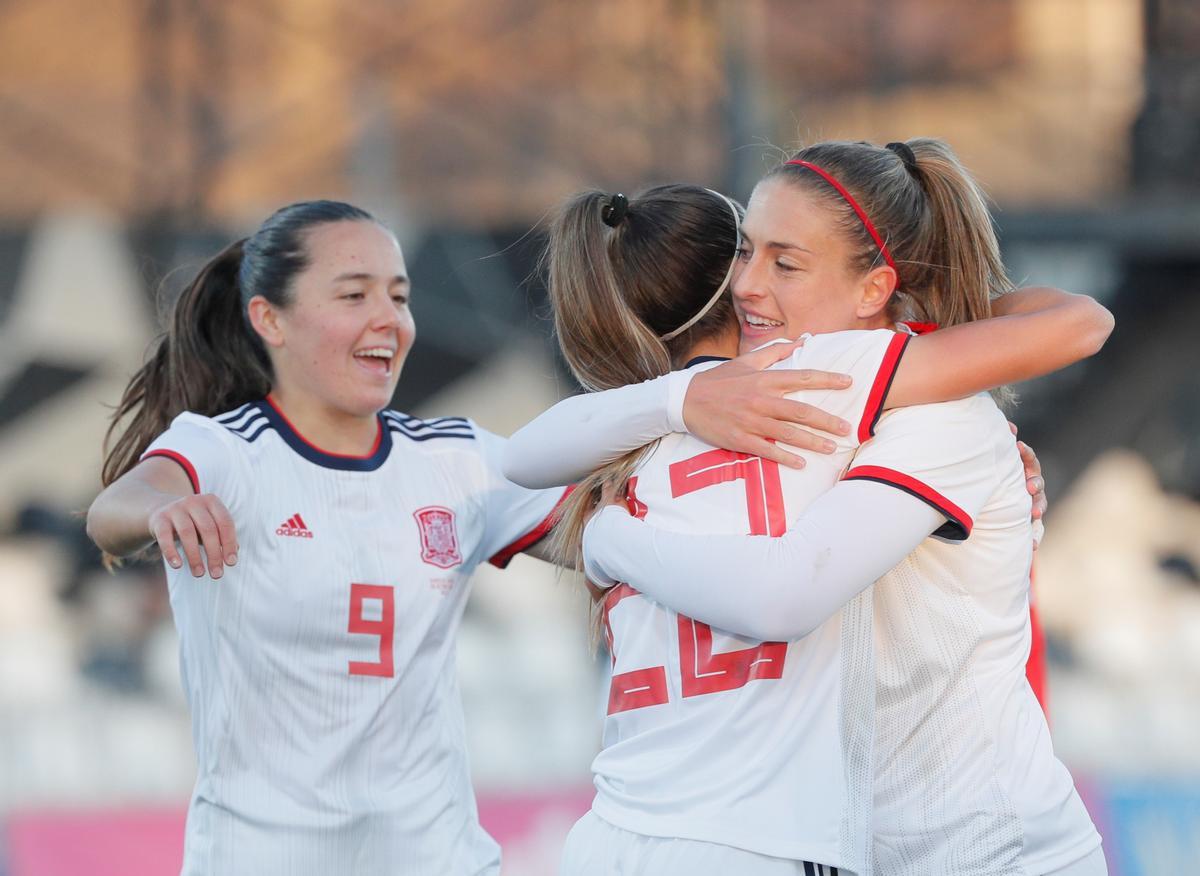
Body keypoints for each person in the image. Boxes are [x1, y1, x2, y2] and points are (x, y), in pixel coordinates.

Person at [510, 141, 1110, 875]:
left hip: (984, 849)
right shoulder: (755, 398)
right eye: (744, 254)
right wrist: (674, 404)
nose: (747, 286)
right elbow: (515, 478)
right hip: (849, 847)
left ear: (873, 288)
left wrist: (607, 535)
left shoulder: (938, 414)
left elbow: (784, 588)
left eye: (784, 263)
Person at [85, 201, 570, 876]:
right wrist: (163, 510)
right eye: (354, 294)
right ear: (269, 319)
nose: (388, 320)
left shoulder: (457, 459)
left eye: (398, 297)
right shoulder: (226, 452)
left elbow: (601, 535)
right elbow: (114, 508)